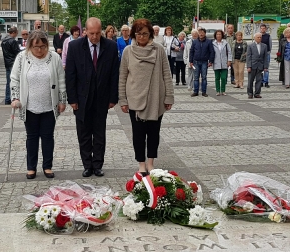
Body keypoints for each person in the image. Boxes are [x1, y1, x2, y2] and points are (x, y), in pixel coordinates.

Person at [65, 17, 119, 178]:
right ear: (85, 31)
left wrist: (113, 97)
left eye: (97, 33)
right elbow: (70, 75)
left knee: (99, 133)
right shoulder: (75, 46)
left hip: (101, 97)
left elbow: (114, 74)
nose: (95, 37)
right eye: (91, 33)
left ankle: (98, 165)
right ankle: (87, 165)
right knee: (84, 134)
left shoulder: (110, 46)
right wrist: (72, 99)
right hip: (82, 98)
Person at [119, 19, 174, 175]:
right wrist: (122, 99)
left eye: (144, 33)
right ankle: (141, 164)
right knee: (138, 134)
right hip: (135, 99)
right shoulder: (128, 51)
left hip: (155, 98)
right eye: (138, 33)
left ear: (150, 33)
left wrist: (169, 96)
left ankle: (151, 163)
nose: (141, 37)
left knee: (153, 133)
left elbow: (166, 74)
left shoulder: (159, 50)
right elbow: (122, 77)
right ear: (133, 34)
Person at [10, 30, 67, 179]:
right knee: (32, 137)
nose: (40, 50)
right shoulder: (22, 58)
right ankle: (31, 167)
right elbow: (14, 79)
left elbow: (61, 80)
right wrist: (15, 98)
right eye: (36, 47)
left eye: (43, 46)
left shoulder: (54, 58)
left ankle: (47, 166)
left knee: (48, 137)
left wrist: (62, 100)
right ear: (30, 46)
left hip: (49, 105)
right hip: (29, 106)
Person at [189, 27, 214, 97]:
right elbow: (191, 52)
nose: (201, 34)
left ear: (205, 34)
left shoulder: (209, 42)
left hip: (204, 62)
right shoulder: (195, 42)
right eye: (199, 33)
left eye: (202, 33)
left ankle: (204, 92)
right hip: (196, 62)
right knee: (196, 77)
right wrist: (190, 61)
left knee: (204, 77)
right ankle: (195, 91)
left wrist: (211, 61)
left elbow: (212, 52)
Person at [1, 27, 21, 104]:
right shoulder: (12, 41)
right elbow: (17, 52)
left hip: (7, 62)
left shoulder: (3, 41)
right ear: (14, 32)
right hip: (13, 62)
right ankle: (12, 98)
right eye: (16, 33)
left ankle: (7, 98)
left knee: (8, 81)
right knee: (14, 81)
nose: (16, 35)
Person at [246, 32, 268, 98]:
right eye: (258, 37)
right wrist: (249, 66)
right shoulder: (250, 46)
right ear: (254, 38)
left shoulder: (264, 46)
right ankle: (250, 93)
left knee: (259, 80)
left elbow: (265, 57)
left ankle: (257, 93)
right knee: (250, 80)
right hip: (252, 65)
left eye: (260, 37)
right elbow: (248, 57)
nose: (259, 38)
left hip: (260, 65)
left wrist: (265, 66)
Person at [211, 30, 232, 96]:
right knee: (217, 77)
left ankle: (223, 90)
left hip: (224, 62)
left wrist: (229, 60)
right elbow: (211, 53)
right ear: (215, 35)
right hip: (216, 62)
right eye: (217, 34)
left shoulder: (225, 43)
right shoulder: (213, 43)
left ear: (222, 35)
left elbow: (229, 52)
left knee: (223, 78)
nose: (218, 36)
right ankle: (218, 90)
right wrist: (210, 61)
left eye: (220, 34)